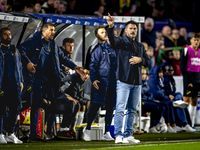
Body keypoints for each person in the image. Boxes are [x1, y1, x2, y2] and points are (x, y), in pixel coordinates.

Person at [19, 23, 85, 141]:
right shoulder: (35, 41)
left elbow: (62, 58)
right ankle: (8, 127)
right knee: (23, 104)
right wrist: (28, 62)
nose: (54, 32)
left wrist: (75, 67)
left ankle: (35, 134)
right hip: (32, 79)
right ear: (44, 31)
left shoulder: (53, 44)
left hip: (45, 81)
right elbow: (21, 49)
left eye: (54, 30)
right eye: (51, 30)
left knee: (36, 105)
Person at [106, 13, 150, 144]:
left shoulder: (140, 46)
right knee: (120, 109)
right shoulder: (120, 42)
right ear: (126, 30)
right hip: (124, 81)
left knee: (132, 110)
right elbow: (112, 41)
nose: (133, 30)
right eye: (130, 28)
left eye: (135, 29)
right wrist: (110, 27)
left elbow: (147, 61)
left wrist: (140, 59)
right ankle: (118, 135)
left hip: (137, 82)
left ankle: (128, 135)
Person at [82, 25, 117, 141]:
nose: (105, 34)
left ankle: (106, 132)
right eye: (102, 32)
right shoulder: (96, 49)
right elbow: (92, 65)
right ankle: (87, 129)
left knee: (110, 107)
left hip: (112, 83)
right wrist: (93, 79)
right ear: (97, 35)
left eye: (105, 32)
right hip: (100, 82)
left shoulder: (113, 49)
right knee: (95, 106)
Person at [0, 27, 23, 144]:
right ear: (1, 37)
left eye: (9, 34)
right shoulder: (0, 51)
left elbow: (19, 66)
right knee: (1, 110)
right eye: (5, 34)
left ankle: (10, 133)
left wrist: (21, 81)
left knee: (15, 109)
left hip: (15, 85)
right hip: (3, 85)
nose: (8, 36)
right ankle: (0, 134)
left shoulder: (15, 50)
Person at [147, 66, 186, 133]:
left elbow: (162, 92)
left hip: (158, 99)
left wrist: (167, 96)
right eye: (159, 72)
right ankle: (166, 125)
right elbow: (157, 94)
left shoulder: (159, 80)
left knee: (170, 105)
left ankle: (172, 125)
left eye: (162, 72)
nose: (161, 74)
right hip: (154, 100)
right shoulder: (153, 80)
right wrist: (167, 97)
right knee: (168, 105)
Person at [161, 62, 196, 132]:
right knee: (180, 104)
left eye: (171, 71)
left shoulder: (171, 79)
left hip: (173, 96)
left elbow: (173, 91)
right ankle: (184, 124)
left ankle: (187, 124)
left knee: (179, 95)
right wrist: (167, 96)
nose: (169, 72)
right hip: (166, 97)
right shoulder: (163, 79)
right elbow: (160, 91)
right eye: (168, 71)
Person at [180, 33, 200, 129]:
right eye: (195, 40)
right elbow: (182, 67)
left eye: (198, 40)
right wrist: (187, 81)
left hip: (198, 79)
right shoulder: (186, 50)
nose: (196, 42)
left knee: (195, 101)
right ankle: (184, 123)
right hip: (189, 79)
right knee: (186, 100)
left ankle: (191, 124)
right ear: (191, 40)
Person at [141, 67, 165, 133]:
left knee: (162, 107)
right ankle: (152, 126)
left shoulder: (145, 83)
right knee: (155, 107)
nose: (144, 75)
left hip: (147, 101)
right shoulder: (137, 84)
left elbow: (150, 94)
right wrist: (149, 99)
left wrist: (153, 100)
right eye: (142, 74)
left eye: (145, 74)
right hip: (141, 103)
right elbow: (141, 95)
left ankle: (156, 124)